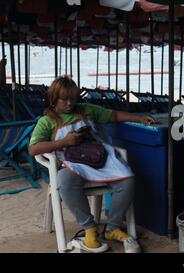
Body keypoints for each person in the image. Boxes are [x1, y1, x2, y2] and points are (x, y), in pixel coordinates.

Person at [29, 76, 155, 253]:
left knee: (127, 180)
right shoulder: (47, 121)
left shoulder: (86, 110)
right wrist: (64, 142)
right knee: (64, 180)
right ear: (53, 98)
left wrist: (139, 118)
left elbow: (113, 115)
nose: (70, 103)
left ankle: (113, 227)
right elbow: (34, 148)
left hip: (99, 159)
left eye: (73, 98)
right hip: (73, 163)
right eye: (64, 99)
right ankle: (89, 228)